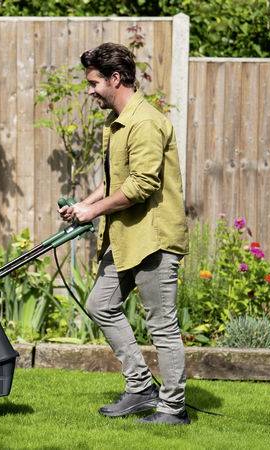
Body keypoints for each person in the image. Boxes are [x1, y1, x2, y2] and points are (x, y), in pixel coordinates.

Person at [59, 43, 190, 425]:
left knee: (161, 324)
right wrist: (83, 205)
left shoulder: (144, 122)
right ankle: (140, 388)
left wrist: (93, 211)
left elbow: (143, 184)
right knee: (101, 304)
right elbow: (117, 180)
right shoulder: (117, 123)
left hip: (154, 238)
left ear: (115, 79)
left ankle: (173, 407)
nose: (89, 91)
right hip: (126, 237)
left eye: (94, 83)